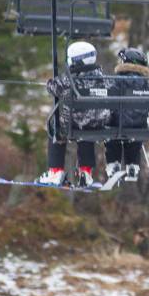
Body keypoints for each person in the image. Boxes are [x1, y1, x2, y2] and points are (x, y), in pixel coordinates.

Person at [36, 41, 111, 188]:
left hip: (73, 124)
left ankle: (55, 172)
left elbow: (54, 88)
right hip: (98, 123)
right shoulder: (103, 77)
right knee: (86, 133)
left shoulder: (70, 78)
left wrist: (50, 83)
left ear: (76, 59)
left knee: (54, 128)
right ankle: (86, 173)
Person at [106, 47, 149, 182]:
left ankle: (114, 163)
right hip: (139, 125)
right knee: (134, 138)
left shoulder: (116, 80)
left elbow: (108, 100)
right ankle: (132, 165)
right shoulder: (145, 83)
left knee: (112, 136)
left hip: (117, 123)